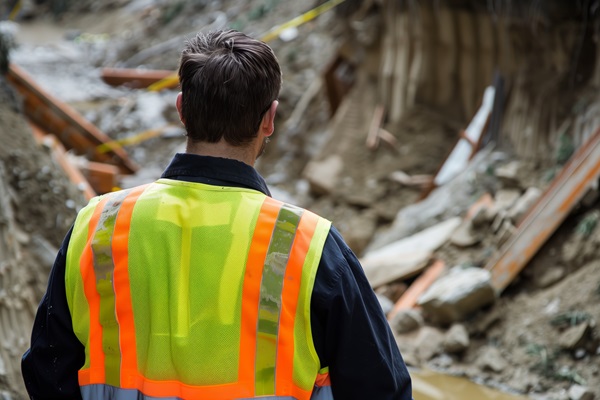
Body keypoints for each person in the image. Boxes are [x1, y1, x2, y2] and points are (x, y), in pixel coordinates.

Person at [21, 29, 413, 400]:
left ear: (181, 110)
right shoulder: (310, 246)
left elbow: (47, 370)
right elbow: (382, 389)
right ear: (269, 119)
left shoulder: (97, 226)